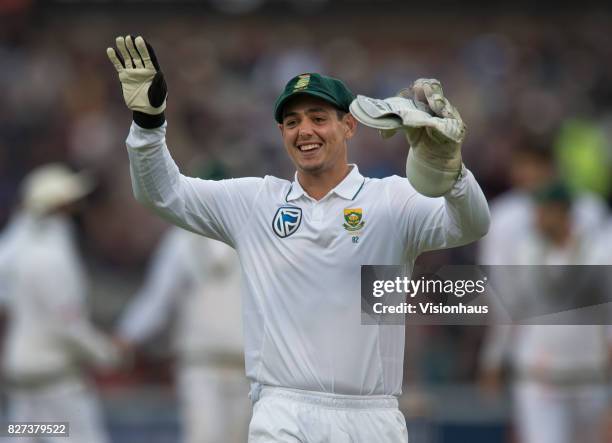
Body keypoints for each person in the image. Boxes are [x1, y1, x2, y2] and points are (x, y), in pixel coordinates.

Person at [106, 35, 490, 442]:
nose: (304, 130)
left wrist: (452, 171)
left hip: (370, 415)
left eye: (318, 118)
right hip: (282, 409)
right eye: (292, 122)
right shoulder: (255, 202)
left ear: (349, 125)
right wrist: (149, 126)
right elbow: (163, 193)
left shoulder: (390, 200)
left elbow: (470, 225)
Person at [479, 180, 610, 443]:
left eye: (543, 212)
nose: (536, 219)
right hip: (539, 375)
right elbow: (510, 308)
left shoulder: (597, 253)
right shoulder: (525, 253)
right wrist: (494, 358)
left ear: (562, 213)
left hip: (589, 374)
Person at [0, 164, 121, 443]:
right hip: (56, 382)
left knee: (23, 437)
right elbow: (67, 325)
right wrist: (108, 354)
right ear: (58, 208)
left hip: (22, 380)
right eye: (72, 203)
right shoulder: (51, 257)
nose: (79, 209)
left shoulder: (14, 250)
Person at [116, 223, 250, 443]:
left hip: (246, 368)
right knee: (204, 436)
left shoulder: (252, 232)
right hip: (200, 365)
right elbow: (158, 297)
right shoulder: (181, 240)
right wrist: (127, 335)